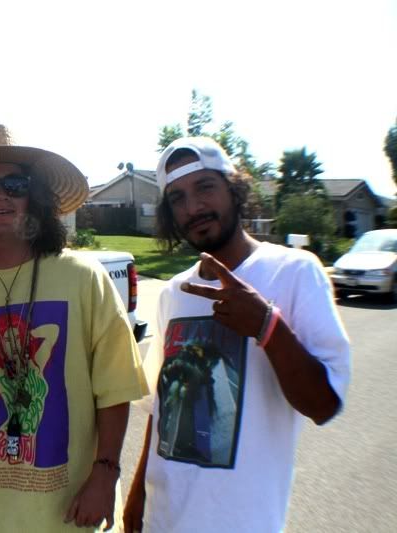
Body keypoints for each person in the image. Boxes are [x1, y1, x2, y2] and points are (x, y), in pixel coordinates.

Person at [0, 124, 148, 532]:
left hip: (75, 511)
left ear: (34, 195)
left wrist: (106, 473)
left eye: (15, 185)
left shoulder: (83, 277)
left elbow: (115, 386)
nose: (0, 196)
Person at [123, 137, 351, 533]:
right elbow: (162, 407)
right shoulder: (175, 292)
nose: (193, 207)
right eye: (177, 198)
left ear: (233, 187)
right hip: (163, 519)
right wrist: (137, 494)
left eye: (205, 187)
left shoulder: (295, 272)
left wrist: (266, 325)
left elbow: (324, 405)